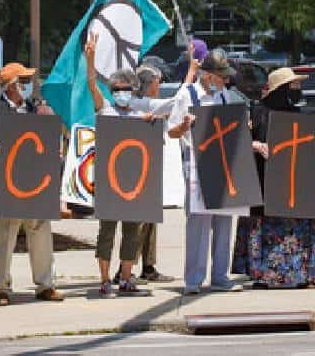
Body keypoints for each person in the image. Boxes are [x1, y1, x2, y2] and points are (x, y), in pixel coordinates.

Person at [0, 62, 64, 305]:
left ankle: (45, 284)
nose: (28, 86)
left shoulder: (36, 110)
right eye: (23, 81)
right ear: (11, 85)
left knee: (40, 233)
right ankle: (1, 289)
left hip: (34, 184)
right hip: (3, 184)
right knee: (3, 237)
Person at [232, 67, 315, 289]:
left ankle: (302, 273)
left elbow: (308, 145)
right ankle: (264, 274)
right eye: (293, 86)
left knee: (296, 225)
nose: (297, 90)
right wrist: (255, 145)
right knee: (265, 225)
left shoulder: (298, 115)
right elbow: (238, 143)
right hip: (264, 183)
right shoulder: (257, 113)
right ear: (280, 89)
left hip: (293, 184)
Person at [167, 48, 244, 295]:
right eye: (222, 76)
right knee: (198, 223)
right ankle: (193, 279)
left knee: (224, 220)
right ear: (208, 75)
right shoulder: (186, 95)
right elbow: (171, 132)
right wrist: (184, 125)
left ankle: (220, 276)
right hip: (196, 164)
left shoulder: (225, 97)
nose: (226, 81)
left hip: (221, 162)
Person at [84, 35, 154, 298]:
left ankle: (126, 278)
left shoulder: (138, 116)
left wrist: (153, 121)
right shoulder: (105, 112)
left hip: (133, 183)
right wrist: (90, 58)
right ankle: (104, 280)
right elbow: (92, 84)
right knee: (107, 231)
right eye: (117, 89)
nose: (122, 93)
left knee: (132, 232)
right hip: (108, 182)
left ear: (133, 91)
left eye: (127, 88)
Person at [132, 63, 177, 284]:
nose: (159, 87)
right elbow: (173, 104)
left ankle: (148, 266)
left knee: (150, 219)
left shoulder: (148, 105)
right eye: (156, 83)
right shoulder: (138, 104)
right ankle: (126, 267)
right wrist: (189, 76)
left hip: (151, 166)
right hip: (137, 170)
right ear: (147, 85)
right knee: (138, 221)